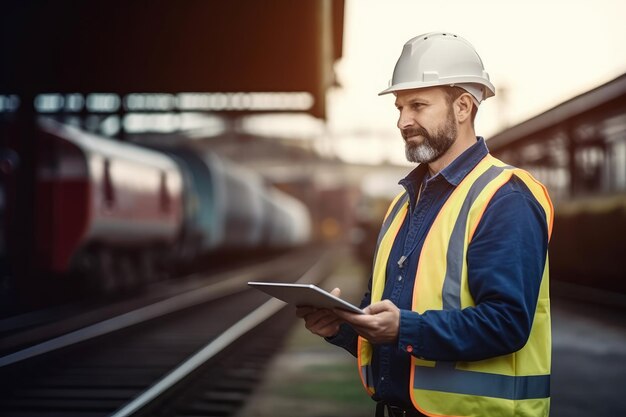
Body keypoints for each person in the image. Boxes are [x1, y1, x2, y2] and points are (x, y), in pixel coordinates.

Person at [297, 32, 553, 417]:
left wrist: (405, 330)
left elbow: (507, 324)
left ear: (463, 106)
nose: (403, 121)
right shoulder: (402, 205)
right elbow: (388, 325)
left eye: (417, 105)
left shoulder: (505, 197)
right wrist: (342, 328)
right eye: (399, 107)